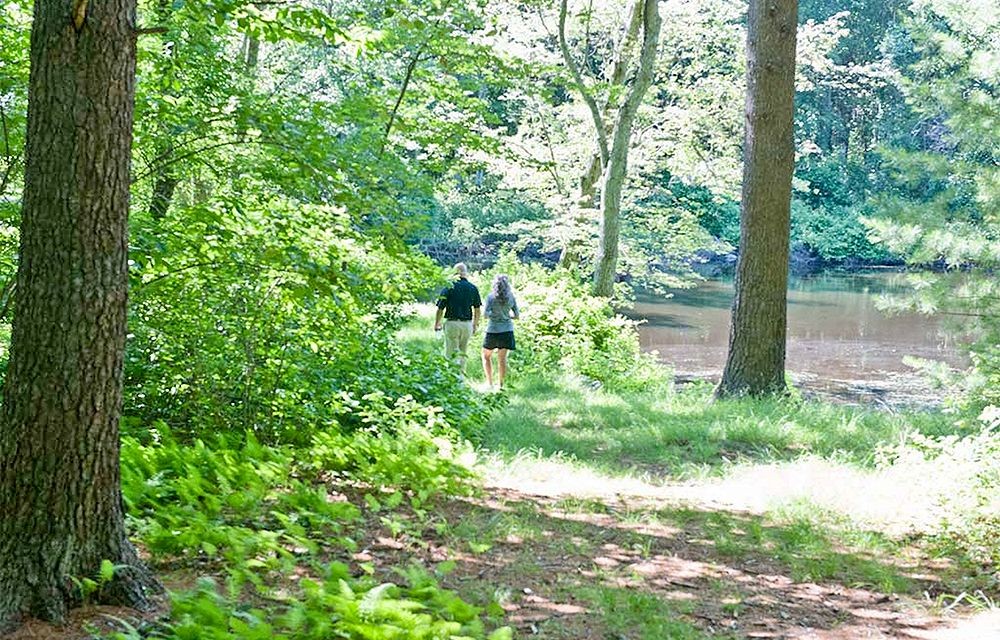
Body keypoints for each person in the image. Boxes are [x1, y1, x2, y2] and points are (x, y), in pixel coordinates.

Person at [434, 263, 481, 370]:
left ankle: (452, 376)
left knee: (451, 353)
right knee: (463, 352)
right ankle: (461, 376)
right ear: (466, 273)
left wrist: (437, 323)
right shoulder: (473, 288)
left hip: (452, 323)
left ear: (455, 273)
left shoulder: (449, 287)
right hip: (467, 325)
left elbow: (440, 308)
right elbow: (477, 309)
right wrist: (475, 324)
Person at [481, 274, 519, 389]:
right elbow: (516, 315)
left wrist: (495, 315)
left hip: (493, 330)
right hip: (507, 330)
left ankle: (490, 383)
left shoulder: (491, 297)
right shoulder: (511, 297)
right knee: (502, 359)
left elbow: (485, 315)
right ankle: (501, 385)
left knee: (486, 356)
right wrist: (506, 316)